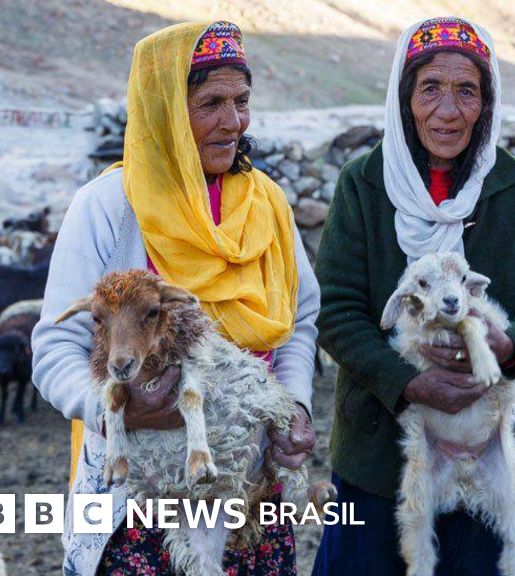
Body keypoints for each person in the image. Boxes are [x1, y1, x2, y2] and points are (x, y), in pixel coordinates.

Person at [31, 21, 319, 576]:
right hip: (137, 498)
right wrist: (117, 408)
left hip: (249, 488)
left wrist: (295, 408)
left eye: (241, 101)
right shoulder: (109, 207)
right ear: (164, 110)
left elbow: (299, 321)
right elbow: (54, 348)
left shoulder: (267, 204)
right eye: (210, 103)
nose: (233, 122)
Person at [310, 16, 515, 576]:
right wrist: (408, 382)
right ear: (405, 97)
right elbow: (335, 310)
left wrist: (507, 345)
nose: (449, 111)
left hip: (487, 448)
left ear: (487, 103)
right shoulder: (363, 184)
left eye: (467, 91)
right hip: (378, 454)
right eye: (430, 88)